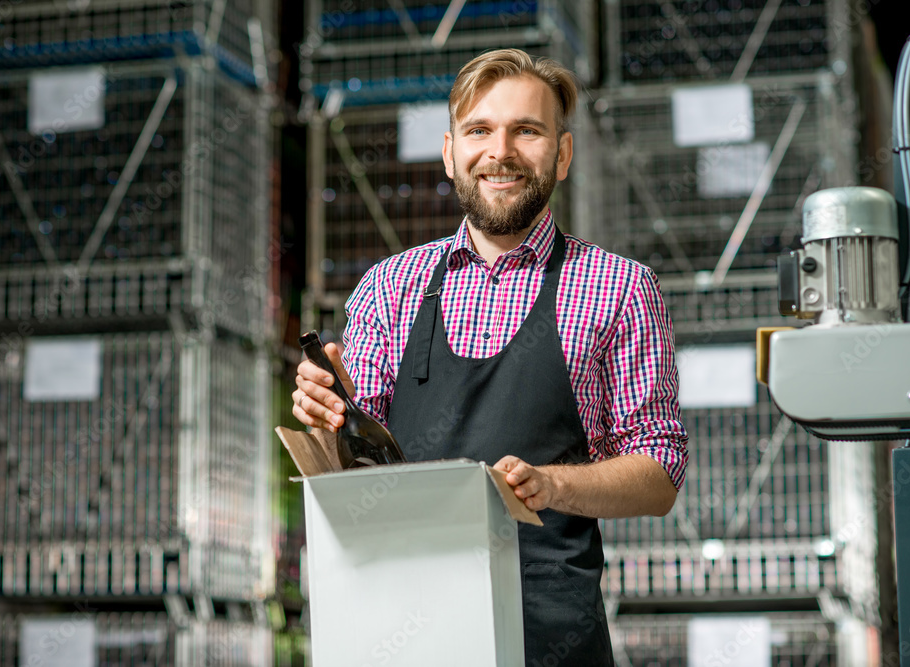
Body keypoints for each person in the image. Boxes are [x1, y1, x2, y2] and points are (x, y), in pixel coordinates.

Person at [293, 48, 688, 666]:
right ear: (451, 152)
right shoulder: (390, 286)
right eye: (480, 130)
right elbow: (356, 464)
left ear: (562, 155)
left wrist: (552, 483)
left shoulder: (618, 287)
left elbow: (660, 471)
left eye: (526, 131)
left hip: (550, 641)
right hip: (406, 632)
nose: (499, 151)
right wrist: (328, 405)